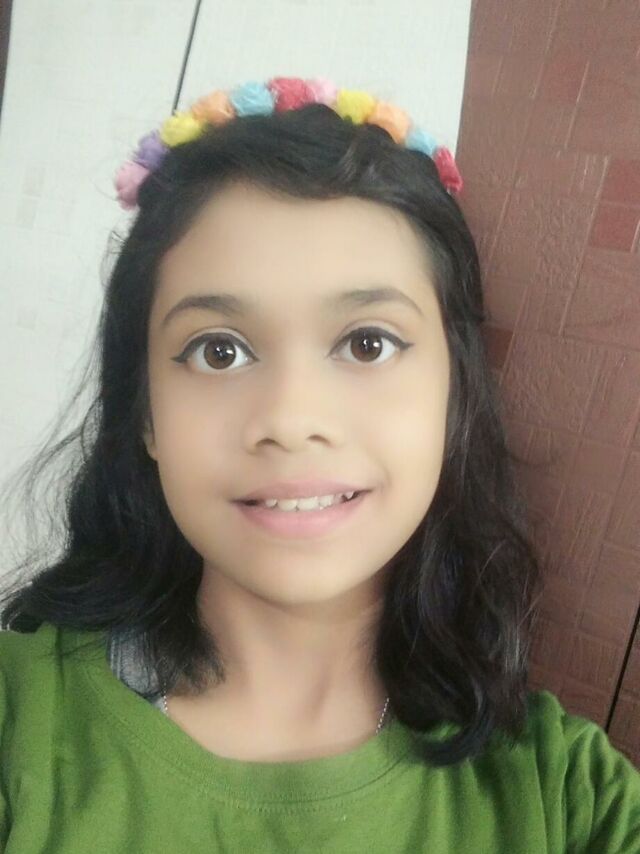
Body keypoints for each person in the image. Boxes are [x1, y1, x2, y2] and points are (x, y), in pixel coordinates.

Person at [0, 76, 638, 853]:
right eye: (218, 351)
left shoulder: (568, 801)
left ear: (456, 394)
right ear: (145, 414)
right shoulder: (17, 722)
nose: (290, 419)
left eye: (368, 343)